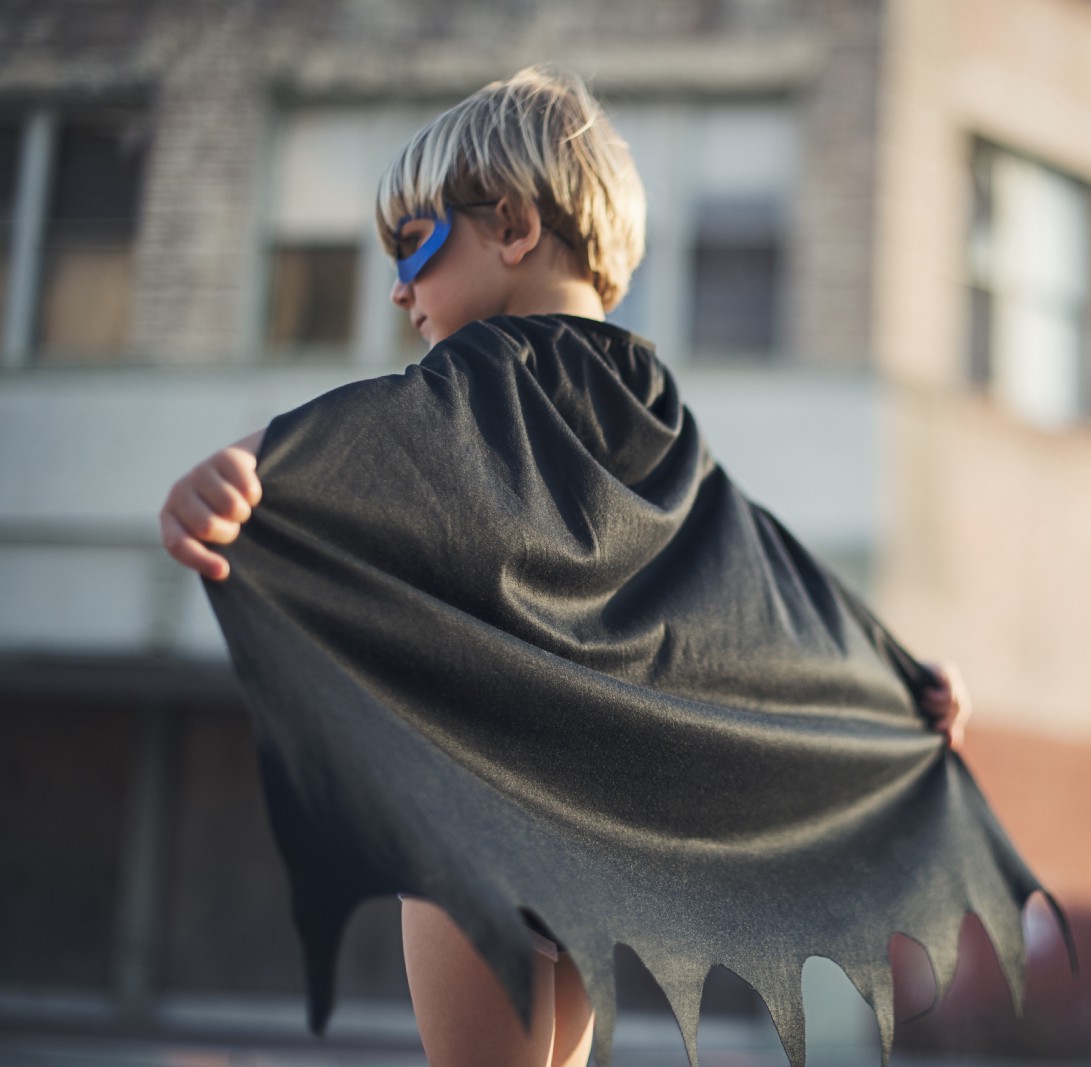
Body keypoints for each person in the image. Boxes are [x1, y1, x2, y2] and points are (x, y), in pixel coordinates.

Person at [158, 66, 980, 1067]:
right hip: (589, 840)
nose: (399, 286)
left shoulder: (479, 368)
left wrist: (249, 464)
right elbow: (750, 563)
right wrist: (892, 671)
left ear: (509, 226)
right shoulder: (647, 390)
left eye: (414, 242)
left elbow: (358, 428)